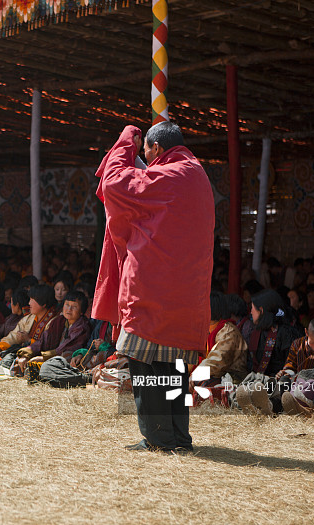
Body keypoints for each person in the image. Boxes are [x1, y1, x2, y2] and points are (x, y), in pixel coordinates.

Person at [93, 122, 214, 454]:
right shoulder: (196, 174)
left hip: (153, 293)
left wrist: (125, 140)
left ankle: (159, 440)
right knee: (172, 370)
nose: (143, 157)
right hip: (185, 298)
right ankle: (178, 439)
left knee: (146, 370)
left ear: (157, 149)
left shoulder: (170, 175)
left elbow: (116, 184)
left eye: (145, 150)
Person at [234, 289, 302, 415]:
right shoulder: (256, 331)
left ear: (262, 310)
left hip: (280, 383)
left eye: (253, 309)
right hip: (260, 380)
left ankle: (267, 405)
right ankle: (255, 403)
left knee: (283, 383)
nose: (251, 312)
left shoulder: (286, 333)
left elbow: (293, 366)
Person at [18, 290, 92, 377]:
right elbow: (44, 340)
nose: (69, 309)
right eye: (67, 305)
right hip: (52, 357)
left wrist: (43, 358)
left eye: (74, 306)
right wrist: (26, 354)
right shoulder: (59, 320)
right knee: (18, 362)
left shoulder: (82, 326)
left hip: (65, 360)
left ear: (81, 311)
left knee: (65, 356)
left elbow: (66, 348)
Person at [0, 284, 59, 366]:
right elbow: (12, 337)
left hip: (39, 357)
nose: (29, 303)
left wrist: (29, 340)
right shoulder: (29, 318)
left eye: (32, 300)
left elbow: (48, 347)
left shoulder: (54, 322)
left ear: (43, 303)